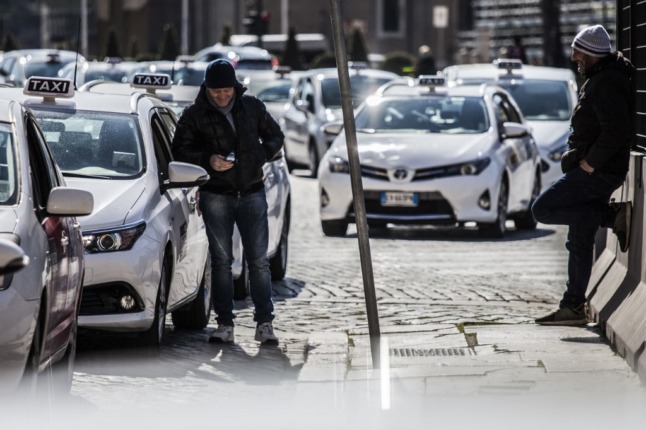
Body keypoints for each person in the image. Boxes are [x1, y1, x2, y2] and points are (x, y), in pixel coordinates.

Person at [171, 59, 284, 344]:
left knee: (258, 261)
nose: (222, 96)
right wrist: (208, 161)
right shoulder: (194, 114)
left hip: (252, 191)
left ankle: (264, 323)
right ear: (207, 89)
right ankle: (224, 324)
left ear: (235, 87)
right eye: (216, 91)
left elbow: (276, 137)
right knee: (221, 262)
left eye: (226, 91)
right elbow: (179, 149)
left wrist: (258, 156)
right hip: (215, 194)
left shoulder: (253, 107)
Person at [532, 25, 634, 326]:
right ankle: (573, 307)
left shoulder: (605, 83)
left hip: (596, 172)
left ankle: (610, 215)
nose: (573, 55)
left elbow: (615, 131)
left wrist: (590, 163)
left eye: (578, 51)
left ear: (590, 54)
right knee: (579, 241)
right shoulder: (600, 78)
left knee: (543, 209)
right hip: (597, 170)